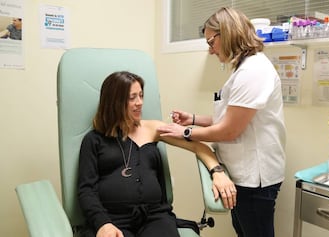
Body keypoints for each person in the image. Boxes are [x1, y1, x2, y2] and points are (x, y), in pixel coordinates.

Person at [157, 7, 286, 237]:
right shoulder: (242, 70)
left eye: (210, 42)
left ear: (225, 34)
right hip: (241, 173)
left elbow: (229, 131)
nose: (210, 50)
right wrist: (193, 119)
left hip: (254, 178)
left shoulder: (253, 71)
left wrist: (185, 132)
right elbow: (228, 118)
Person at [77, 71, 236, 237]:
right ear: (114, 102)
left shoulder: (153, 129)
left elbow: (199, 147)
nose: (139, 103)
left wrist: (218, 173)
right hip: (112, 218)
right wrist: (103, 223)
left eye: (141, 96)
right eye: (132, 97)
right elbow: (86, 190)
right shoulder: (94, 140)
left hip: (154, 217)